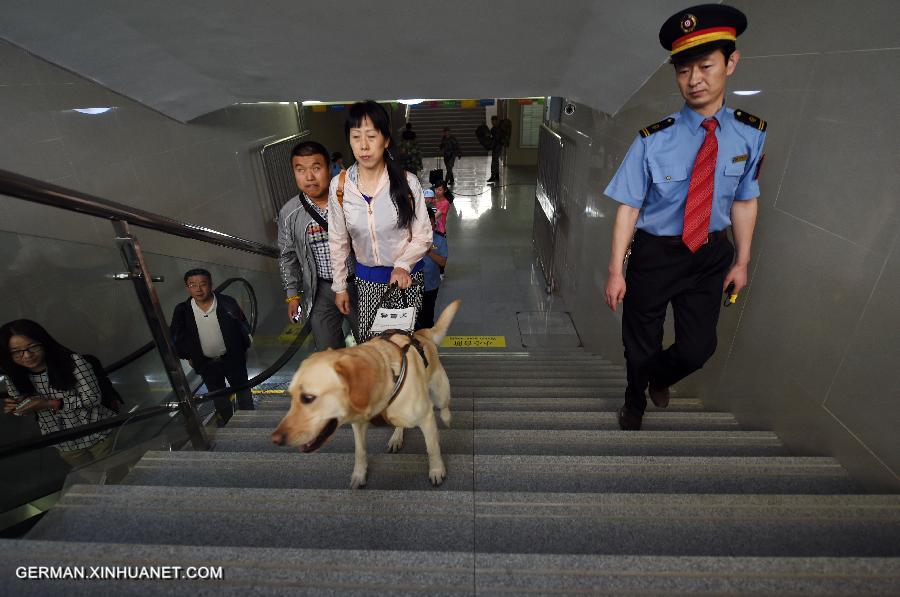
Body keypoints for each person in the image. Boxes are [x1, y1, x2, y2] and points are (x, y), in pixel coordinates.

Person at [603, 3, 766, 431]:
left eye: (706, 66)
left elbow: (745, 199)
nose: (694, 79)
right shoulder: (652, 142)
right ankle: (634, 401)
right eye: (683, 70)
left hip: (710, 254)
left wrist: (742, 261)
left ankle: (661, 375)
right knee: (638, 345)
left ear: (731, 62)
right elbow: (628, 207)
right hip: (655, 254)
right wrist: (616, 270)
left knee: (698, 348)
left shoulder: (750, 134)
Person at [329, 101, 432, 341]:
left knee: (402, 349)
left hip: (405, 280)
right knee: (372, 349)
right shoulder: (340, 187)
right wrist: (340, 286)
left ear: (385, 140)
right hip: (367, 282)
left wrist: (403, 264)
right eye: (356, 137)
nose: (363, 146)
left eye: (371, 136)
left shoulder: (407, 183)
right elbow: (338, 240)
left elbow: (423, 236)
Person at [1, 319, 116, 467]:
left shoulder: (73, 362)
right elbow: (23, 408)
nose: (27, 356)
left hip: (98, 432)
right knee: (90, 477)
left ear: (43, 343)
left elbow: (93, 398)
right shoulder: (13, 376)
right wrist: (17, 407)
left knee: (113, 474)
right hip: (64, 441)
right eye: (17, 352)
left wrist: (50, 403)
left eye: (33, 347)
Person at [278, 141, 357, 350]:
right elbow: (287, 256)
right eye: (300, 170)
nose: (309, 177)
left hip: (358, 284)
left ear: (329, 168)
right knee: (328, 350)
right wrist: (292, 295)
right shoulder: (289, 213)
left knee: (373, 342)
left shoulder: (350, 200)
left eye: (316, 168)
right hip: (320, 289)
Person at [170, 268, 253, 426]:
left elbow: (243, 326)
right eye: (193, 285)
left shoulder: (227, 302)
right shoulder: (182, 310)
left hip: (233, 359)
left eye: (203, 284)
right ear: (187, 288)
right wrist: (189, 355)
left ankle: (250, 422)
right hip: (206, 363)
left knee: (243, 392)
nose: (199, 289)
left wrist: (243, 348)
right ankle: (228, 424)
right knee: (218, 397)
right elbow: (175, 336)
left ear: (210, 285)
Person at [415, 207, 449, 330]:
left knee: (428, 315)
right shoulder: (412, 239)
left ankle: (428, 338)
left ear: (435, 224)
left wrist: (429, 252)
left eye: (430, 224)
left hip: (431, 285)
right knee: (415, 315)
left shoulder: (440, 240)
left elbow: (443, 263)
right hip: (414, 285)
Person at [487, 115, 504, 184]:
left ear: (496, 121)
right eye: (491, 121)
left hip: (497, 147)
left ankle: (493, 176)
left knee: (494, 162)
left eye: (493, 121)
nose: (492, 122)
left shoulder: (496, 129)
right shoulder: (495, 128)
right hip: (497, 147)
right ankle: (496, 176)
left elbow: (495, 139)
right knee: (496, 162)